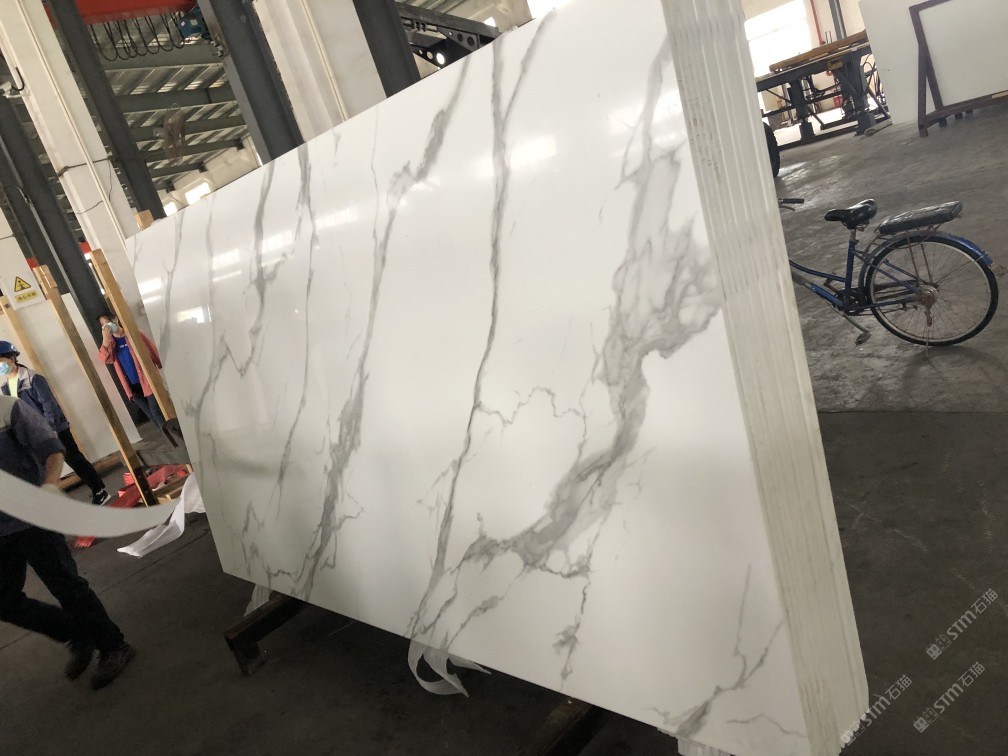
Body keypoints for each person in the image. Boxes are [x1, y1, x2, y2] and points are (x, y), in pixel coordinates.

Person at [0, 393, 135, 689]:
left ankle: (114, 646)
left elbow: (52, 449)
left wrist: (49, 485)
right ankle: (75, 632)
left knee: (66, 586)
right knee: (3, 600)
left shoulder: (9, 410)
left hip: (33, 519)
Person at [0, 341, 112, 506]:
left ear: (12, 358)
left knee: (74, 459)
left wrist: (51, 430)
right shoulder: (5, 388)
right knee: (41, 470)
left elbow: (49, 405)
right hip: (33, 435)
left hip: (55, 429)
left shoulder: (33, 378)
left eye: (1, 361)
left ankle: (100, 490)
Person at [96, 313, 166, 430]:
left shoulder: (133, 333)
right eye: (103, 325)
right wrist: (105, 339)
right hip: (132, 386)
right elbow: (105, 359)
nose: (107, 327)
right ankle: (170, 437)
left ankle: (176, 436)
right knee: (151, 416)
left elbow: (151, 348)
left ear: (115, 319)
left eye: (107, 322)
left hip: (146, 380)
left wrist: (159, 364)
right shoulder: (111, 343)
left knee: (157, 412)